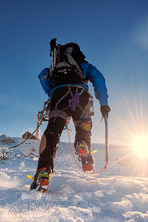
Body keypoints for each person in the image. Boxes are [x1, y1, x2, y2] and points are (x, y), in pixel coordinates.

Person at [30, 39, 111, 192]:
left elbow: (42, 75)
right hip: (81, 96)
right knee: (83, 125)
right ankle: (83, 145)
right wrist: (104, 103)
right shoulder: (83, 65)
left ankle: (44, 170)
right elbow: (98, 78)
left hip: (59, 97)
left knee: (53, 132)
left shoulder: (55, 68)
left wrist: (52, 92)